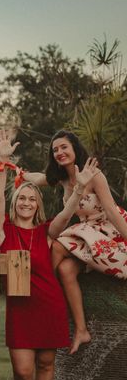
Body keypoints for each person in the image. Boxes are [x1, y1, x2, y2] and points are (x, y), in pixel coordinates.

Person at [0, 129, 98, 380]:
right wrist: (4, 160)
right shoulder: (4, 233)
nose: (26, 202)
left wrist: (79, 186)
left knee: (46, 364)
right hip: (20, 311)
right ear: (15, 203)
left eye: (31, 198)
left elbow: (67, 212)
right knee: (23, 372)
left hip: (49, 304)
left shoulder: (47, 232)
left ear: (37, 205)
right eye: (21, 198)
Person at [20, 130, 127, 354]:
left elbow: (112, 211)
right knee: (67, 270)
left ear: (74, 148)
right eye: (55, 150)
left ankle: (41, 298)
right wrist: (19, 173)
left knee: (57, 244)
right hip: (87, 234)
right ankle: (81, 330)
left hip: (109, 232)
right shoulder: (61, 178)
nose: (59, 152)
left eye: (63, 147)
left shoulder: (94, 175)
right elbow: (40, 178)